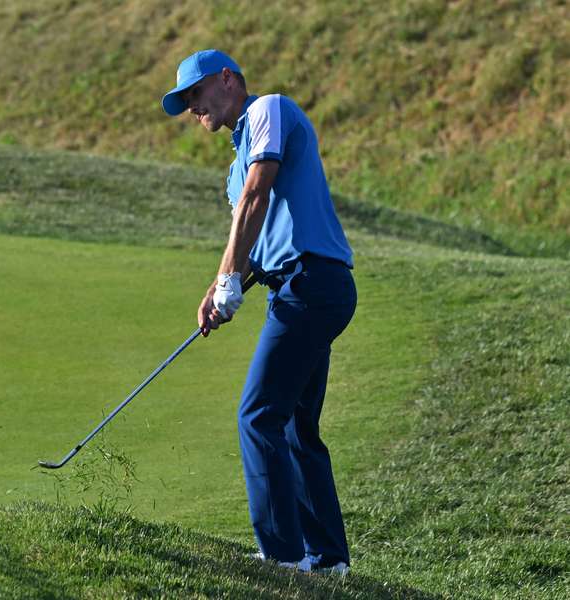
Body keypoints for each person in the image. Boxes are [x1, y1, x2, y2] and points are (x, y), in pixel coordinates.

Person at [161, 49, 357, 575]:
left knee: (258, 415)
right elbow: (250, 239)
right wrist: (219, 288)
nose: (191, 108)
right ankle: (327, 559)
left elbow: (258, 193)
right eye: (184, 102)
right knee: (295, 425)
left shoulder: (268, 109)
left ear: (227, 79)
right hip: (296, 288)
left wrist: (228, 280)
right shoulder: (233, 167)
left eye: (195, 94)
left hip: (314, 282)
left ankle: (282, 554)